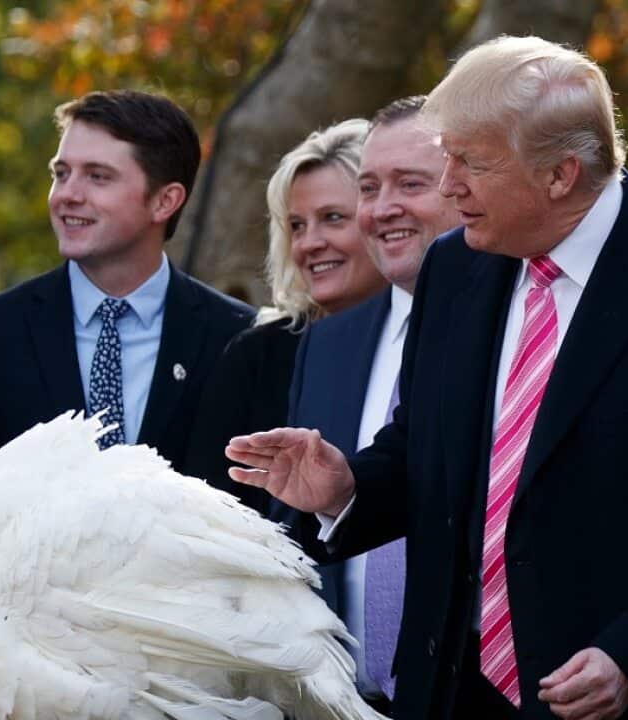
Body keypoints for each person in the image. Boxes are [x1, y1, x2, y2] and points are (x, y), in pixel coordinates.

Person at [228, 35, 628, 720]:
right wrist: (349, 486)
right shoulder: (455, 267)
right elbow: (425, 446)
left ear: (561, 174)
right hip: (456, 691)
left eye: (471, 164)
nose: (449, 186)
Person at [0, 90, 253, 480]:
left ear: (165, 201)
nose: (67, 195)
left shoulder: (238, 339)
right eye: (61, 174)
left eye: (97, 177)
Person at [270, 96, 458, 712]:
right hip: (339, 696)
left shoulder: (511, 323)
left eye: (410, 184)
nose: (382, 209)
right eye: (369, 189)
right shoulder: (326, 343)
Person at [185, 118, 386, 513]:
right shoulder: (257, 357)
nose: (310, 243)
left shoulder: (439, 333)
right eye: (297, 225)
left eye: (333, 218)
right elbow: (210, 508)